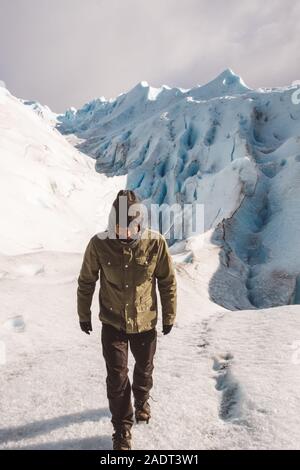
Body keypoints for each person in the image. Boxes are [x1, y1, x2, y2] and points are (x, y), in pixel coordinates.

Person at [77, 189, 177, 450]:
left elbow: (167, 282)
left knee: (144, 370)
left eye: (132, 227)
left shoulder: (156, 244)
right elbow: (87, 281)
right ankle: (122, 429)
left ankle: (142, 400)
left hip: (145, 322)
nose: (126, 232)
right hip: (113, 323)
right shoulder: (99, 244)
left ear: (140, 223)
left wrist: (168, 315)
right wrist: (83, 314)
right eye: (121, 226)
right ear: (113, 223)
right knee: (117, 376)